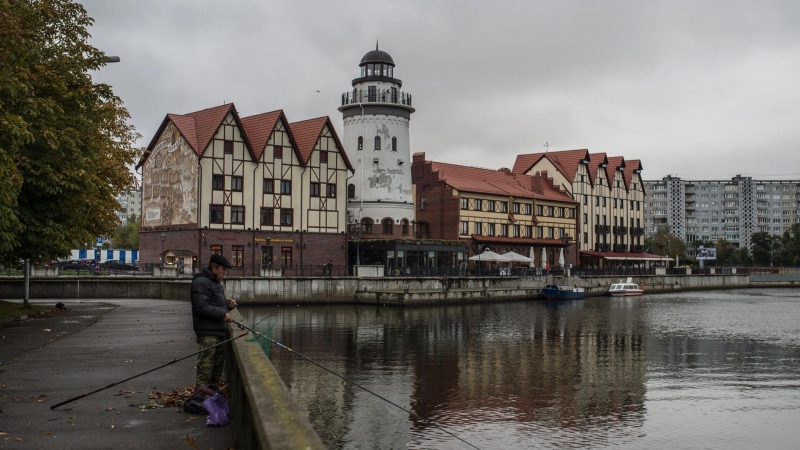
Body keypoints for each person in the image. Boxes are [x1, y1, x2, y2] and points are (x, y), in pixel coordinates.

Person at [191, 254, 237, 388]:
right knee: (205, 369)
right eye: (223, 269)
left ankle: (212, 397)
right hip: (207, 333)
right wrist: (223, 314)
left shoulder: (215, 283)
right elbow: (201, 307)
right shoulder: (201, 282)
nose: (225, 272)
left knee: (217, 369)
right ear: (214, 268)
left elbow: (212, 303)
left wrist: (227, 306)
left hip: (218, 331)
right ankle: (201, 398)